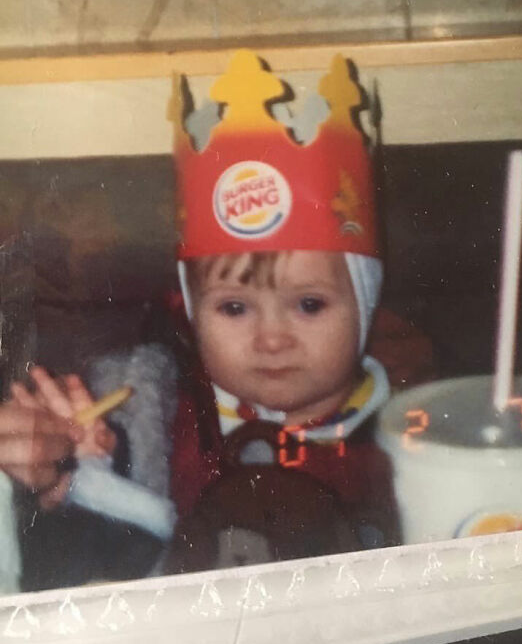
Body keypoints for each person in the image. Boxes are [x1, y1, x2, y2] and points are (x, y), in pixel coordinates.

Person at [0, 50, 400, 588]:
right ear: (192, 313)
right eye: (234, 307)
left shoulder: (409, 430)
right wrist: (72, 479)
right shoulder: (150, 427)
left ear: (365, 304)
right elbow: (111, 577)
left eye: (309, 304)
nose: (272, 338)